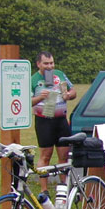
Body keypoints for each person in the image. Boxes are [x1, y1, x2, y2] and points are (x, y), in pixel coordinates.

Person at [31, 51, 77, 197]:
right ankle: (44, 190)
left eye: (51, 63)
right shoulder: (33, 79)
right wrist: (39, 97)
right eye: (46, 63)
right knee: (46, 155)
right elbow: (25, 101)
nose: (50, 66)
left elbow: (73, 91)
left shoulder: (59, 74)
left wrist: (69, 95)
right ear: (39, 64)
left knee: (64, 155)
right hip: (44, 121)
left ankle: (63, 186)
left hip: (60, 120)